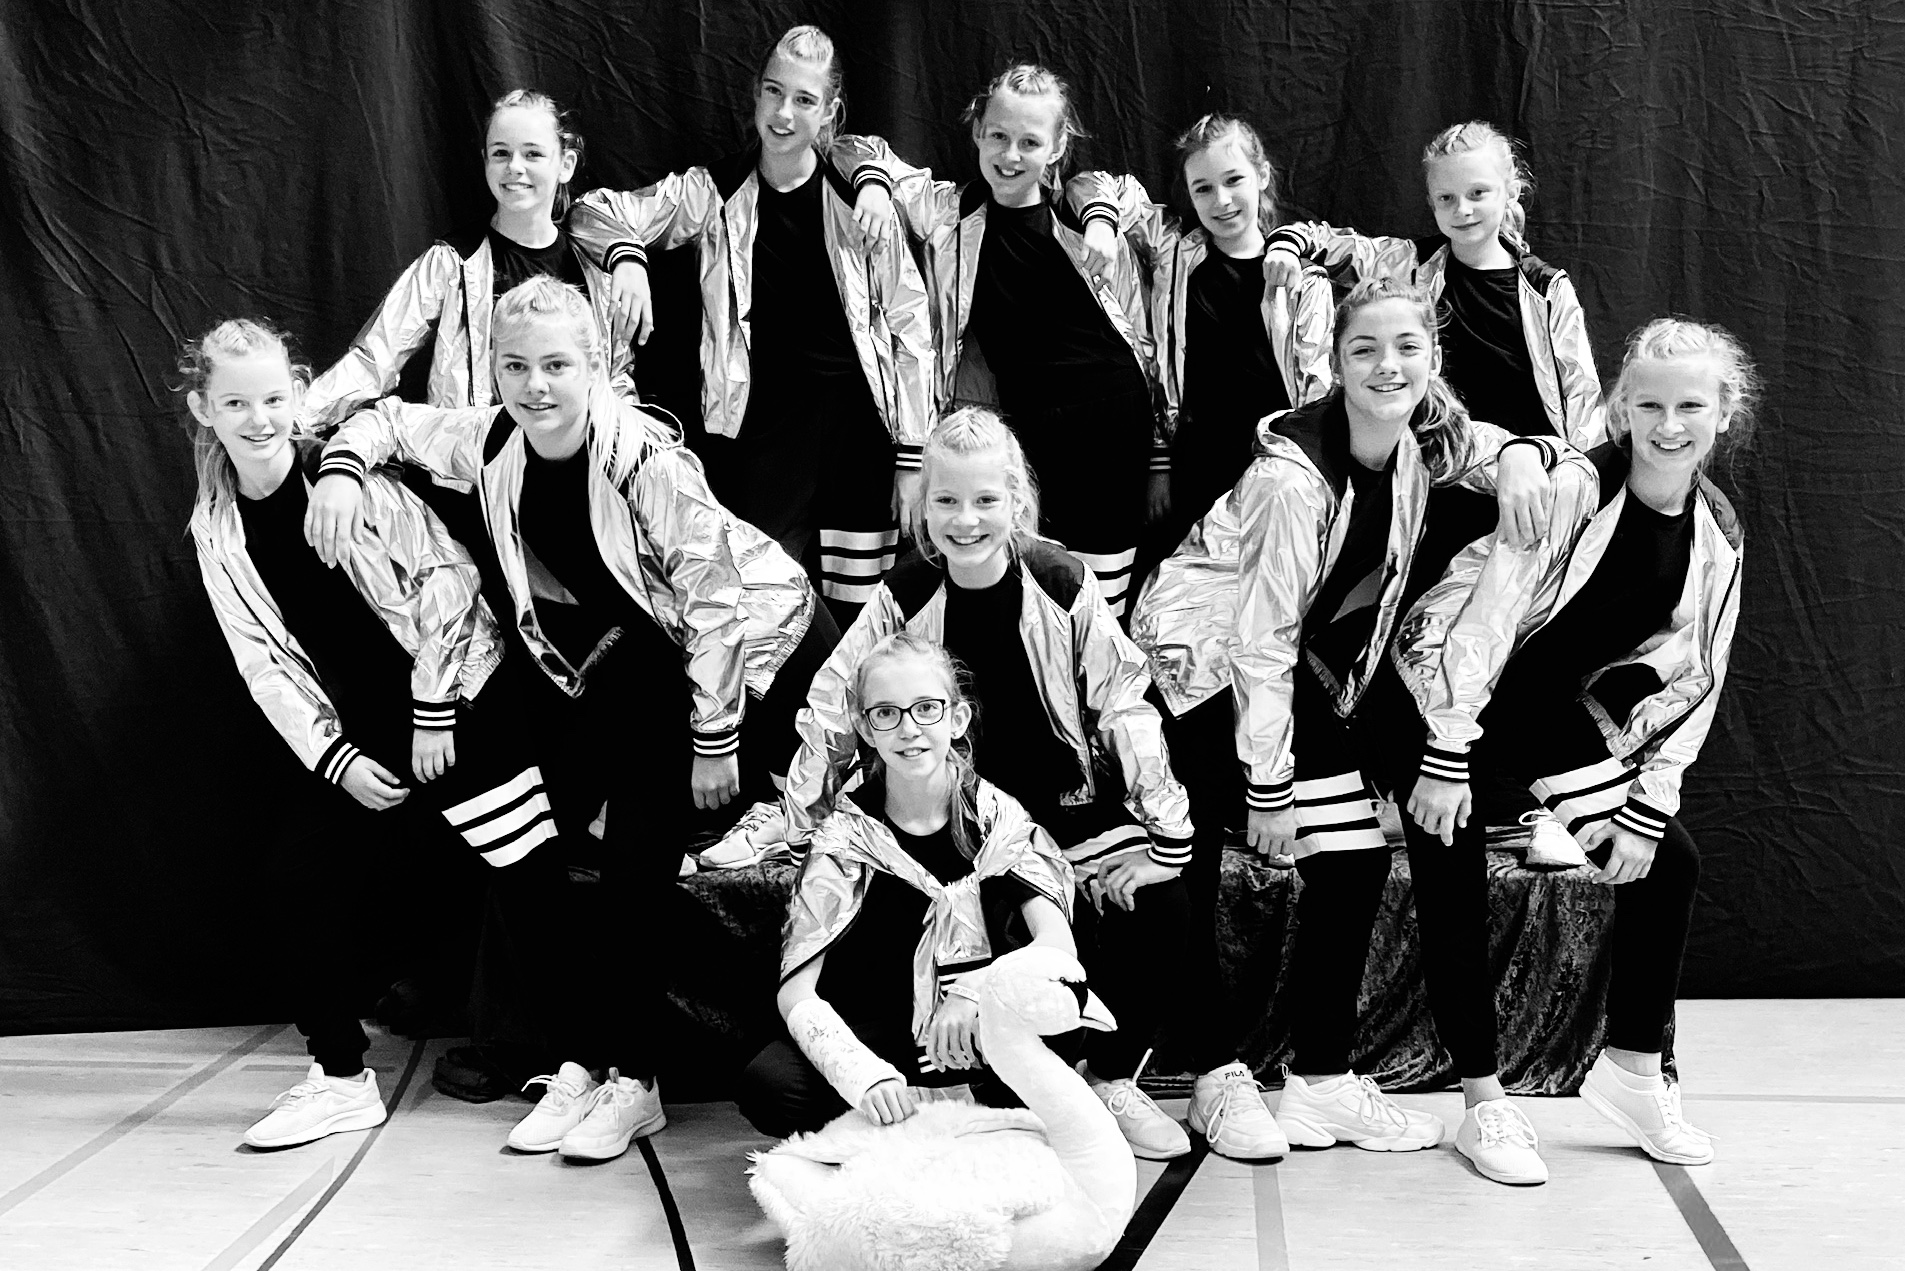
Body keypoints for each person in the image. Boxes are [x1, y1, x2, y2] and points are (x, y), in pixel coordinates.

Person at [305, 275, 838, 1161]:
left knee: (635, 862)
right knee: (536, 839)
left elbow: (714, 601)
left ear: (595, 366)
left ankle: (637, 1082)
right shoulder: (492, 439)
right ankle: (585, 1061)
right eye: (516, 365)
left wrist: (715, 738)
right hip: (638, 659)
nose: (535, 384)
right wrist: (338, 469)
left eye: (556, 364)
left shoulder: (645, 460)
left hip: (758, 647)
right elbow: (387, 419)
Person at [1131, 276, 1593, 1183]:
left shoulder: (1421, 436)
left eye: (1406, 348)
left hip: (1288, 669)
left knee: (1351, 860)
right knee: (1192, 859)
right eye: (1364, 350)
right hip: (1198, 670)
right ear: (1335, 364)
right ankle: (1215, 1074)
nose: (1388, 366)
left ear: (1432, 358)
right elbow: (1260, 639)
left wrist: (1523, 454)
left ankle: (1319, 1080)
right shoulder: (1290, 478)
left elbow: (1522, 448)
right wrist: (1269, 785)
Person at [776, 408, 1286, 1162]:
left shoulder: (1059, 579)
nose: (966, 519)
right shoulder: (904, 591)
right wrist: (803, 831)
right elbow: (833, 702)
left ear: (1016, 500)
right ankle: (968, 1085)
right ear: (922, 507)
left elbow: (1123, 701)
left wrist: (1167, 834)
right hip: (961, 817)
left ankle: (1111, 1079)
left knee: (1164, 897)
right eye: (946, 500)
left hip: (1064, 810)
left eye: (985, 499)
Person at [181, 317, 559, 1148]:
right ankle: (342, 1079)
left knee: (525, 867)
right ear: (204, 408)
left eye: (273, 398)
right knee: (295, 877)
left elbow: (450, 583)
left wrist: (433, 712)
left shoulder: (345, 478)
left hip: (460, 692)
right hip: (366, 726)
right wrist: (336, 758)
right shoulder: (216, 524)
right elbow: (262, 664)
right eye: (235, 403)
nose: (258, 418)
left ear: (297, 393)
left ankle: (581, 1064)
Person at [1394, 316, 1755, 1172]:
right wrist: (1444, 755)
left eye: (1689, 406)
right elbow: (1484, 618)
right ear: (1620, 409)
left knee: (1667, 860)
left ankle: (1631, 1072)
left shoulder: (1716, 529)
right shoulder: (1571, 489)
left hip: (1533, 707)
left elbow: (1696, 677)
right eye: (1649, 405)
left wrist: (1646, 803)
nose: (1668, 425)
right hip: (1439, 689)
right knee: (1450, 870)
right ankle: (1482, 1103)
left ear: (1723, 413)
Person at [1260, 119, 1608, 869]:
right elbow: (1327, 242)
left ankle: (1519, 806)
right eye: (1445, 198)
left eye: (1478, 193)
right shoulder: (1411, 264)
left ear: (1511, 192)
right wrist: (1286, 246)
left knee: (1494, 653)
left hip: (1521, 495)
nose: (1462, 209)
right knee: (1391, 641)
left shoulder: (1545, 288)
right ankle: (1390, 785)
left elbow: (1583, 411)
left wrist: (1557, 475)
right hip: (1438, 484)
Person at [565, 25, 933, 635]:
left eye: (804, 99)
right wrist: (627, 258)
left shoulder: (861, 198)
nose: (784, 113)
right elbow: (592, 211)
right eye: (773, 91)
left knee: (862, 617)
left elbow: (909, 325)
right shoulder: (714, 191)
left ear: (830, 111)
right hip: (760, 435)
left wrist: (912, 456)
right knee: (761, 613)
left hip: (858, 436)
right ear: (757, 95)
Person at [846, 63, 1165, 620]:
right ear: (977, 132)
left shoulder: (1076, 211)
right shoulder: (953, 213)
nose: (1011, 155)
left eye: (1029, 142)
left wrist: (1101, 220)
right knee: (1032, 594)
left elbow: (1123, 191)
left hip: (1108, 421)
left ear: (1057, 147)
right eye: (998, 136)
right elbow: (852, 148)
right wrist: (872, 184)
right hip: (1025, 431)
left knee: (1097, 604)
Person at [736, 633, 1079, 1137]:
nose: (909, 729)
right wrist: (861, 1074)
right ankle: (901, 1106)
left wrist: (974, 991)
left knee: (1061, 1023)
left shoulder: (997, 820)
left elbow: (1058, 946)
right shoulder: (845, 835)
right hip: (880, 1029)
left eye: (926, 708)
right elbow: (796, 990)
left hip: (976, 1025)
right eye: (886, 713)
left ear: (957, 719)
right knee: (770, 1087)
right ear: (864, 727)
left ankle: (931, 1112)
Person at [1070, 113, 1336, 561]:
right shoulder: (1174, 253)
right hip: (1193, 465)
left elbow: (1317, 395)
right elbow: (1088, 184)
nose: (1222, 200)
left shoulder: (1303, 280)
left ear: (1262, 176)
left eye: (1234, 180)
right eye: (1204, 189)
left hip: (1271, 464)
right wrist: (1099, 222)